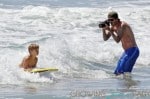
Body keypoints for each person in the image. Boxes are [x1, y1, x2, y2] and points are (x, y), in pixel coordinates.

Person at [100, 11, 139, 75]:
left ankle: (129, 84)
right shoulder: (113, 27)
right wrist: (103, 29)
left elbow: (117, 40)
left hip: (133, 50)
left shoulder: (122, 25)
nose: (110, 22)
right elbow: (105, 38)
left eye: (111, 20)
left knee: (122, 72)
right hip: (126, 51)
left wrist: (110, 30)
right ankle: (129, 84)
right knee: (117, 72)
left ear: (116, 19)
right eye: (108, 20)